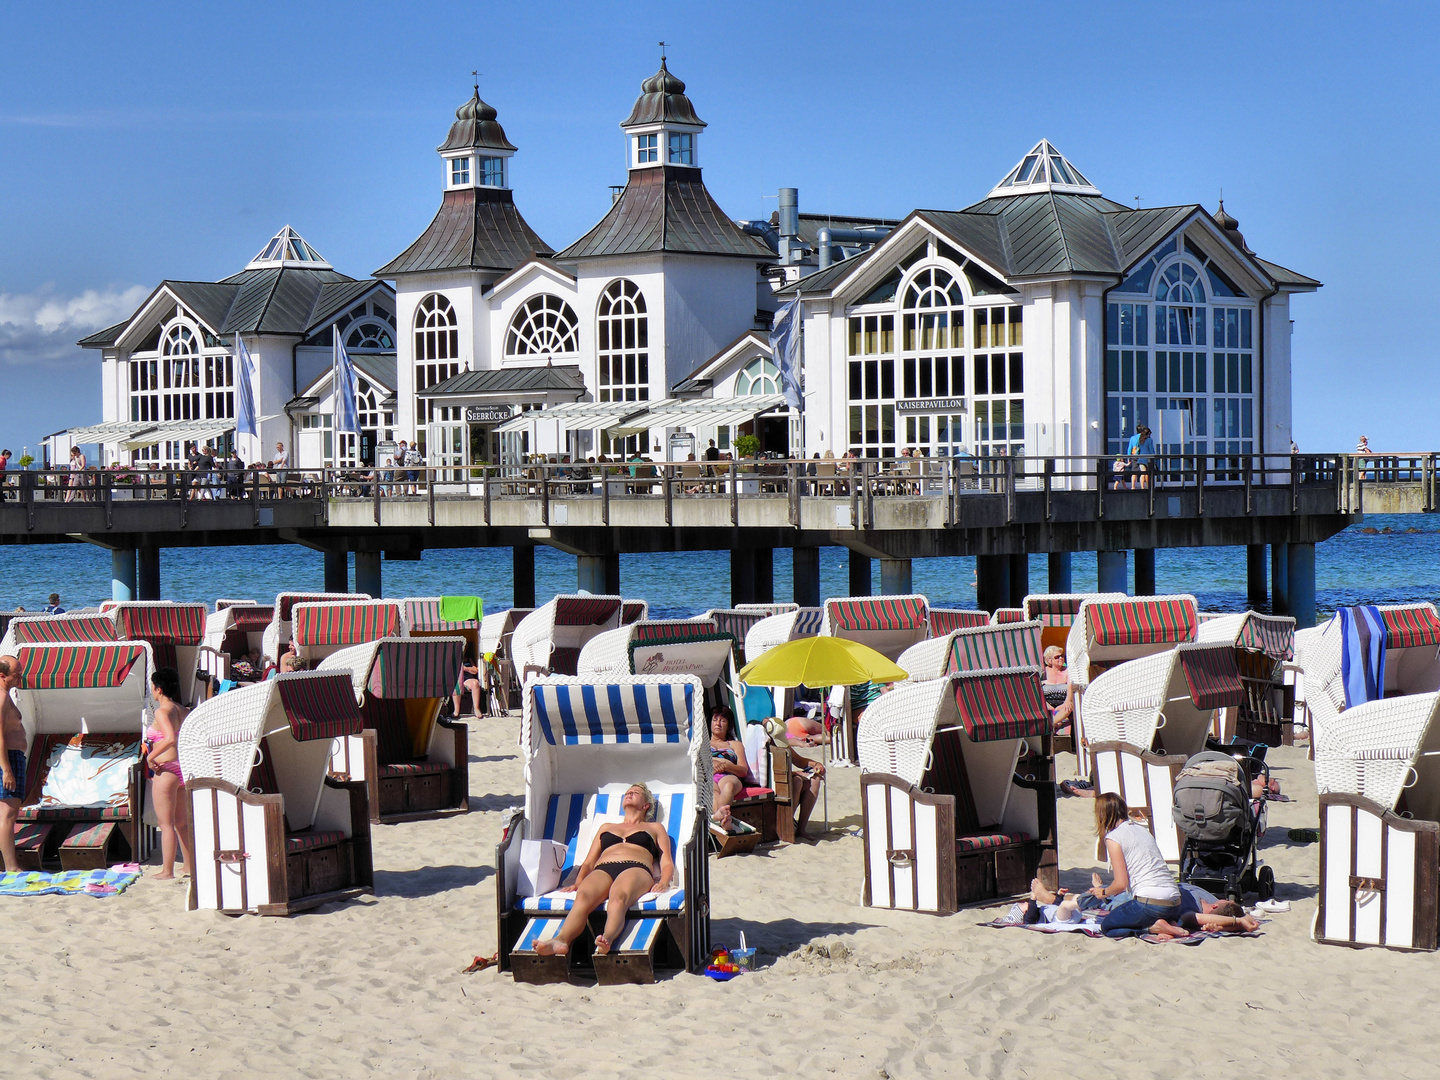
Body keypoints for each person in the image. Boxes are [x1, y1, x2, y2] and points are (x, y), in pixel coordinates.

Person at [535, 782, 673, 958]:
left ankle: (606, 939)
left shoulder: (655, 828)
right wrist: (578, 883)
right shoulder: (607, 827)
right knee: (583, 897)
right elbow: (589, 862)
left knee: (618, 898)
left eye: (635, 792)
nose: (629, 794)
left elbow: (666, 861)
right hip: (603, 869)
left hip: (636, 868)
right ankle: (561, 940)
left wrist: (663, 882)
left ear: (646, 805)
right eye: (628, 792)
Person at [1090, 792, 1181, 937]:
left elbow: (1121, 883)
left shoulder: (1114, 837)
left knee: (1107, 927)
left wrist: (1103, 892)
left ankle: (1153, 928)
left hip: (1151, 903)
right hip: (1175, 903)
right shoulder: (1142, 830)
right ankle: (1169, 923)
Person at [144, 666, 195, 880]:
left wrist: (150, 756)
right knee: (182, 824)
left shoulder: (162, 711)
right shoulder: (182, 710)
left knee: (166, 825)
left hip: (166, 770)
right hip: (183, 768)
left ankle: (167, 870)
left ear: (158, 689)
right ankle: (189, 867)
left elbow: (169, 738)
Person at [0, 656, 26, 871]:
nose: (20, 677)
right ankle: (11, 866)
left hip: (11, 756)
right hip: (8, 758)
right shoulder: (1, 698)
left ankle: (9, 865)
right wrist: (7, 770)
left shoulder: (5, 696)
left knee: (7, 813)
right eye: (17, 674)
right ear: (2, 676)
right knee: (8, 814)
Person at [708, 705, 749, 829]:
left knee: (729, 786)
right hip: (710, 775)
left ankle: (717, 818)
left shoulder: (735, 745)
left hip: (728, 776)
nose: (718, 724)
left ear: (729, 725)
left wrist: (727, 766)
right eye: (715, 720)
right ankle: (721, 819)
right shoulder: (702, 743)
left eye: (723, 721)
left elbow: (743, 770)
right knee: (712, 791)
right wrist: (713, 761)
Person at [452, 643, 484, 717]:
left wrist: (465, 668)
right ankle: (456, 711)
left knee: (475, 683)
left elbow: (475, 670)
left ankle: (476, 708)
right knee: (456, 686)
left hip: (467, 679)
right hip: (457, 679)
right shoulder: (453, 659)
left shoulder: (468, 659)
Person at [1127, 425, 1156, 490]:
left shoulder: (1133, 438)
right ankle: (1147, 486)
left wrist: (1129, 457)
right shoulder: (1146, 439)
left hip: (1135, 456)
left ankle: (1133, 486)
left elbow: (1130, 448)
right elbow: (1151, 450)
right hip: (1145, 457)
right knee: (1146, 473)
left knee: (1134, 472)